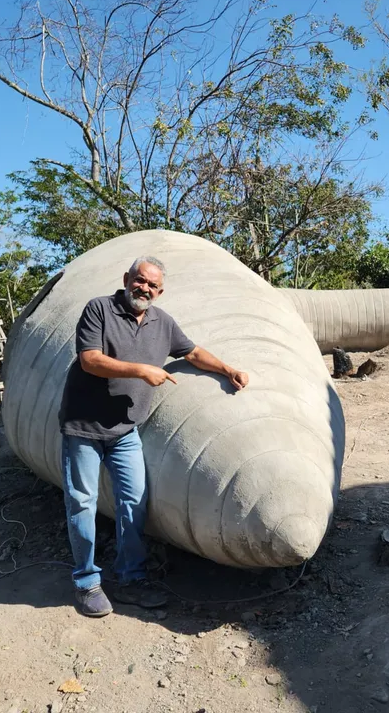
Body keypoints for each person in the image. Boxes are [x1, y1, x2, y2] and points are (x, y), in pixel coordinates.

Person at [58, 255, 250, 617]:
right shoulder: (99, 309)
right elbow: (89, 360)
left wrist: (228, 369)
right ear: (127, 277)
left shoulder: (162, 323)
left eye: (152, 285)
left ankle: (131, 577)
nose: (143, 288)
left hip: (125, 430)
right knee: (82, 502)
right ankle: (87, 582)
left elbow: (191, 352)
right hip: (83, 427)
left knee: (134, 501)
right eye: (139, 280)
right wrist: (142, 370)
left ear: (160, 292)